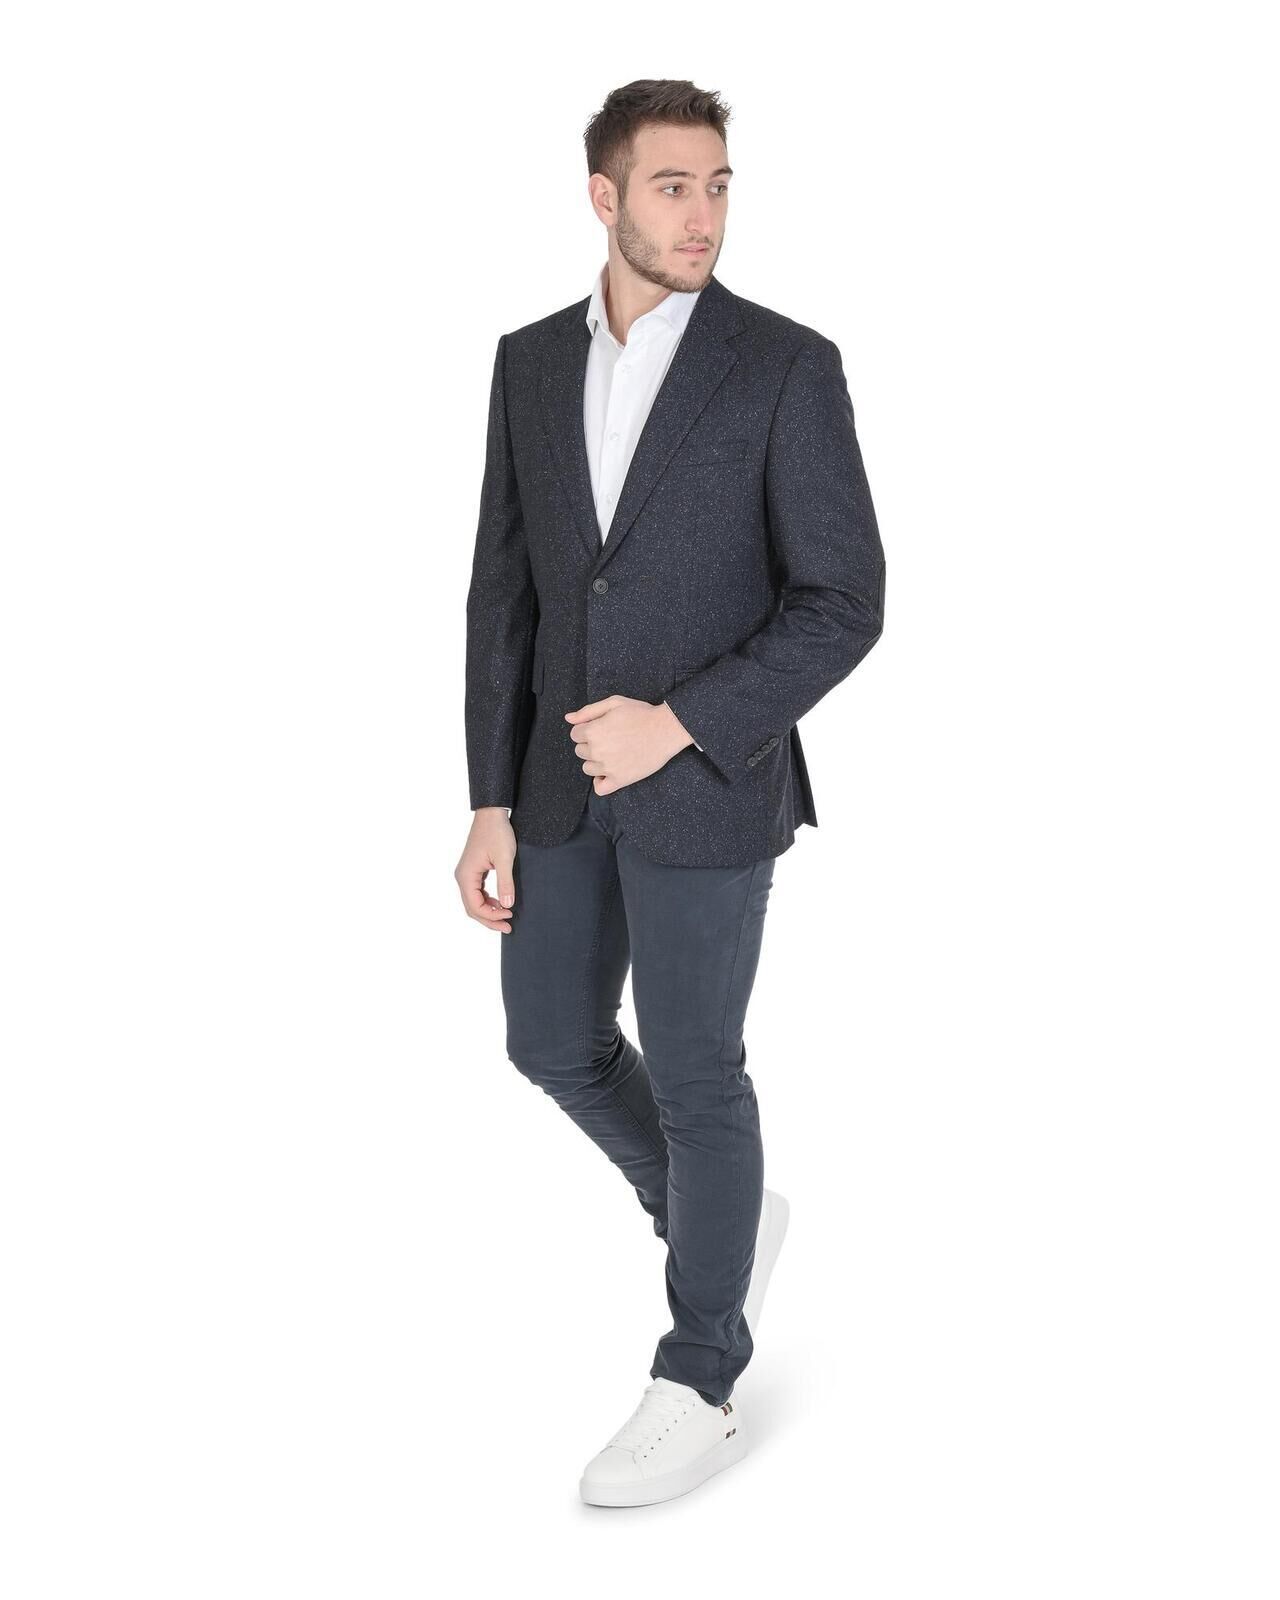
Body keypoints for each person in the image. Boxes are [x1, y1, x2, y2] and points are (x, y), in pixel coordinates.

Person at [456, 78, 885, 1507]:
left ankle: (700, 1373)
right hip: (553, 789)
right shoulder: (527, 363)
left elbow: (844, 601)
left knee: (698, 1070)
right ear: (605, 197)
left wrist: (684, 723)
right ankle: (718, 1221)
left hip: (709, 785)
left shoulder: (785, 366)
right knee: (549, 1042)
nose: (702, 215)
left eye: (718, 185)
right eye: (671, 186)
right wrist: (490, 796)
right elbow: (506, 596)